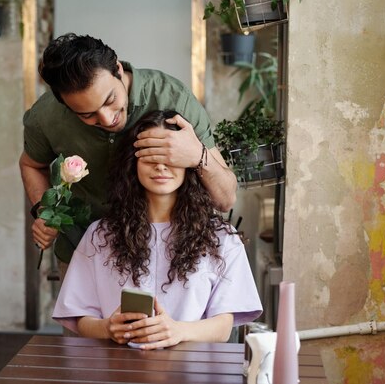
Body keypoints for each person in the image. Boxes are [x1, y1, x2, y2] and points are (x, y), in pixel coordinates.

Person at [20, 33, 238, 265]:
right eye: (87, 114)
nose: (106, 118)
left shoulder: (173, 99)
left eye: (109, 100)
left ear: (118, 69)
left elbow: (225, 200)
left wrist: (197, 156)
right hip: (83, 255)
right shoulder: (46, 116)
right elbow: (32, 164)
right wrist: (46, 211)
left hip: (168, 258)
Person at [52, 110, 262, 350]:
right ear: (133, 163)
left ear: (188, 163)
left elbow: (224, 326)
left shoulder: (221, 238)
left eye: (170, 157)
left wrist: (178, 331)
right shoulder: (100, 235)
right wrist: (108, 328)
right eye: (151, 156)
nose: (161, 166)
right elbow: (80, 318)